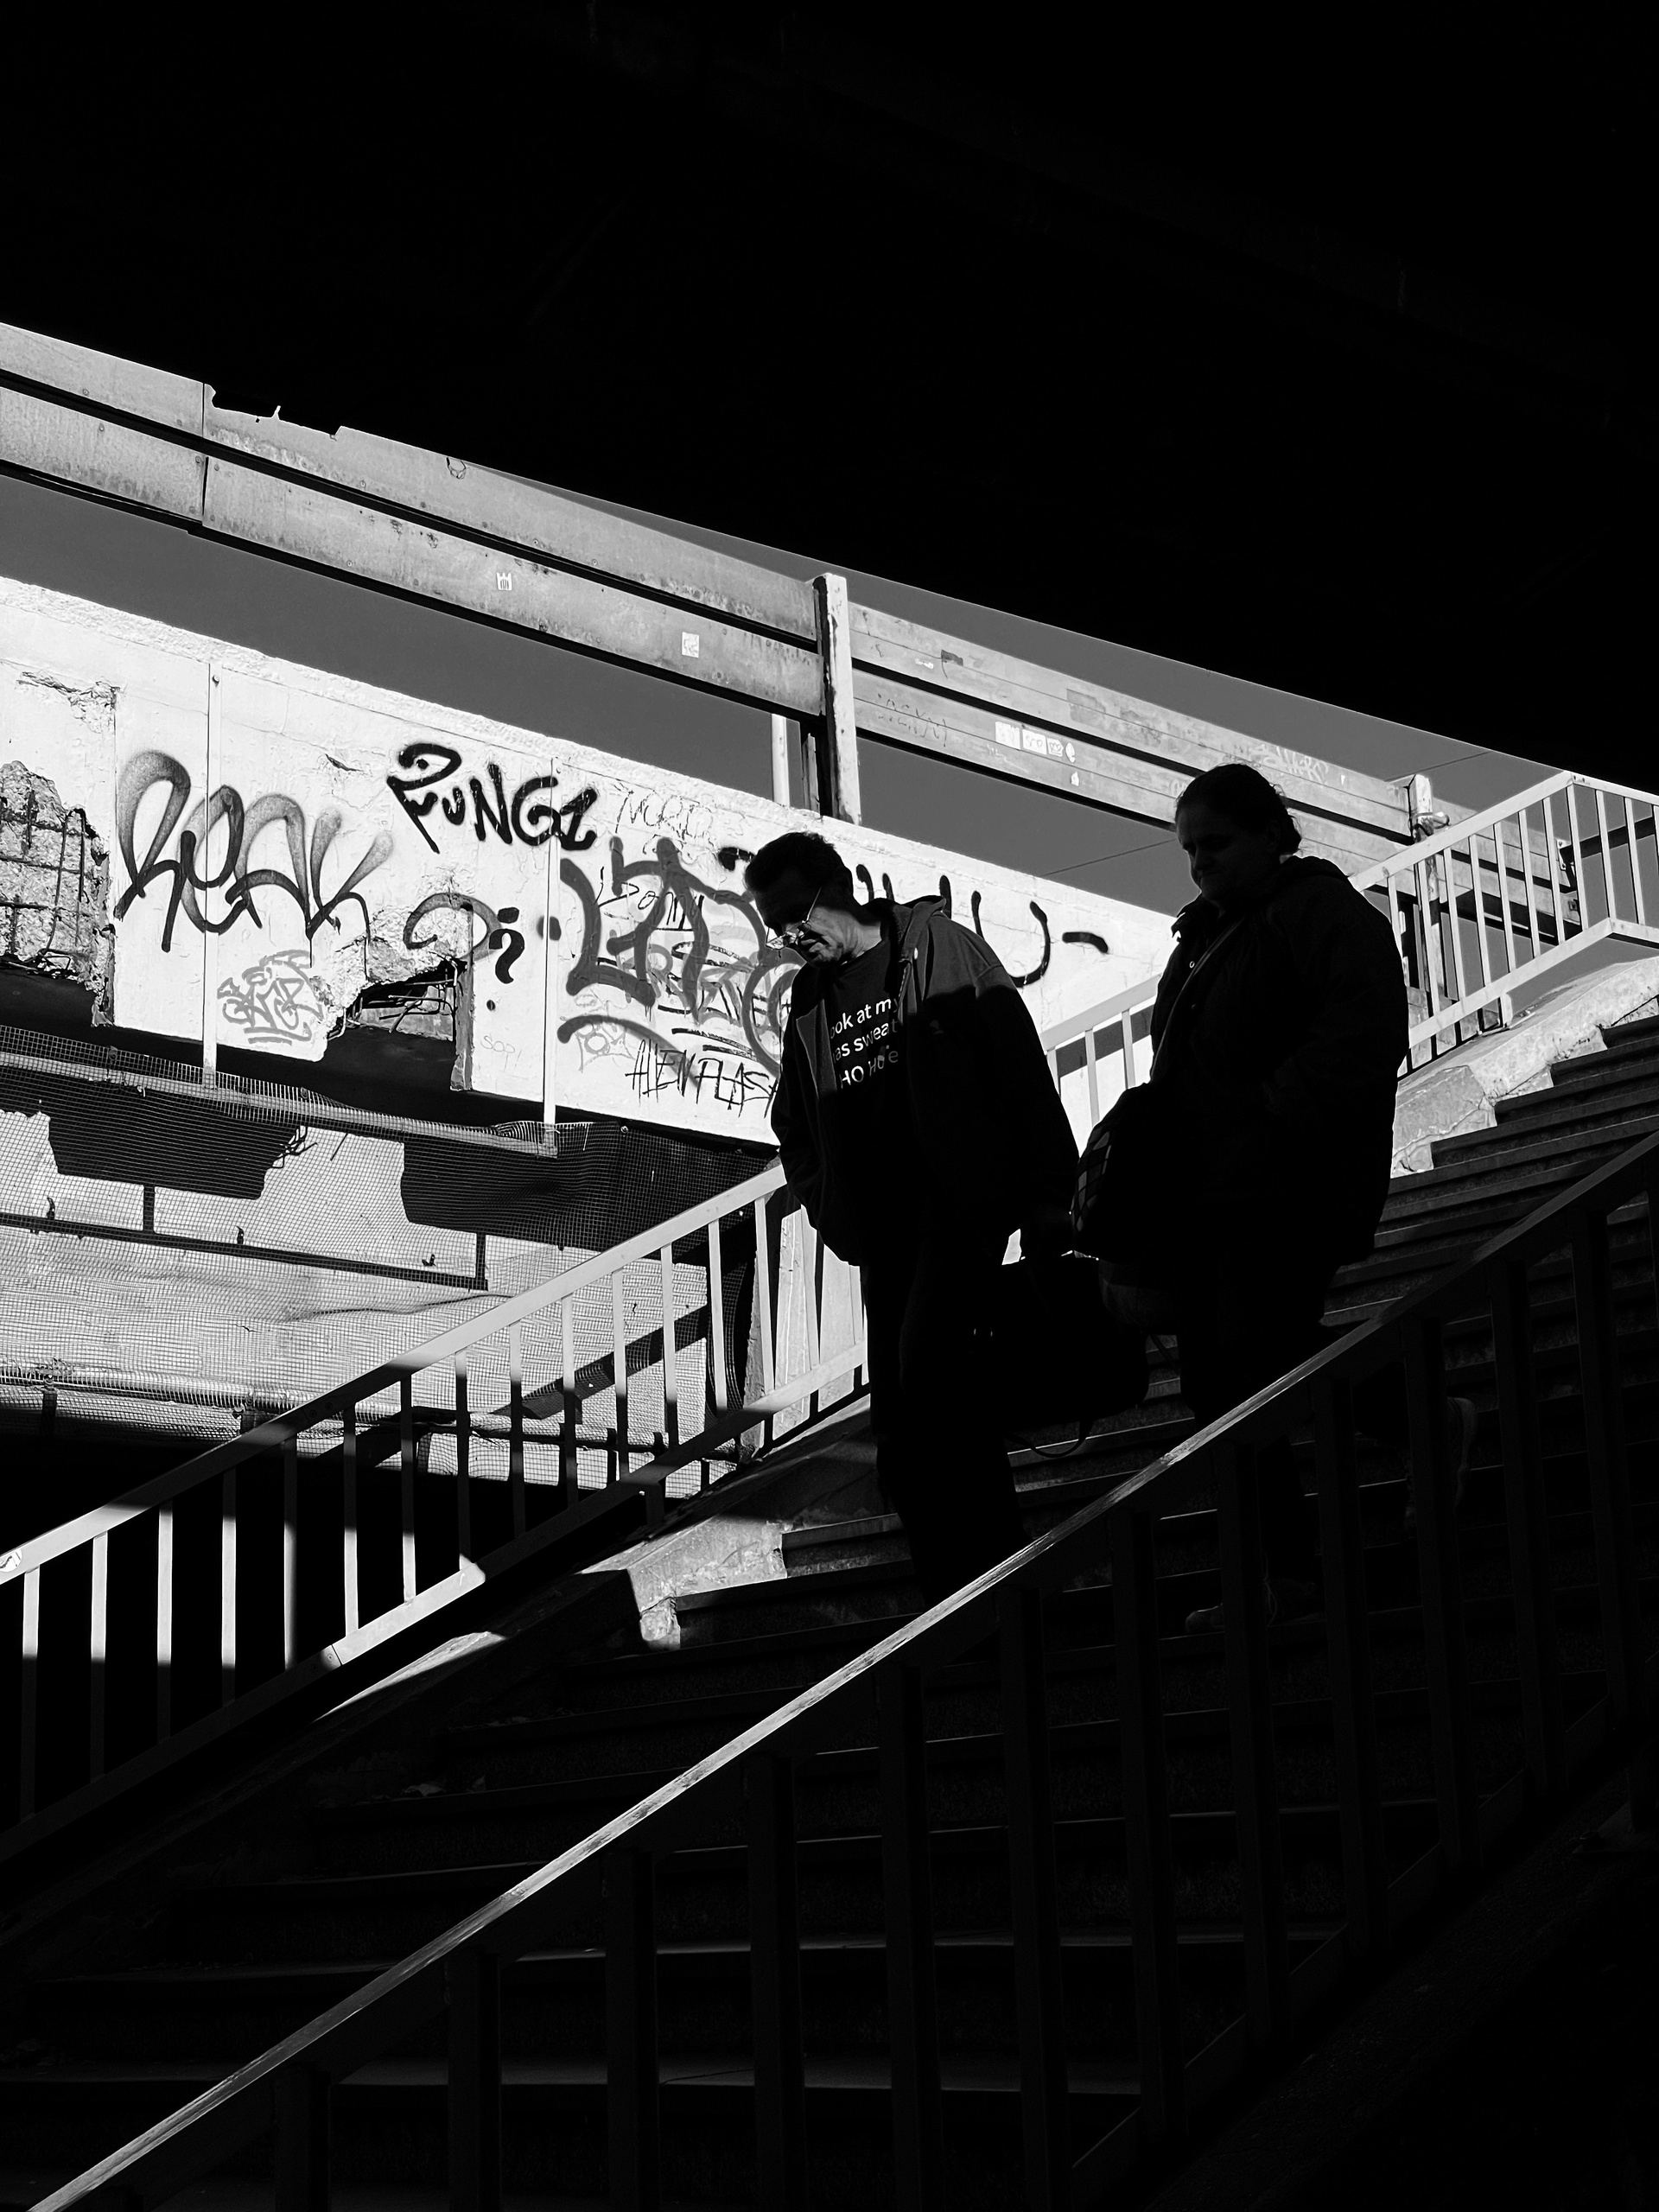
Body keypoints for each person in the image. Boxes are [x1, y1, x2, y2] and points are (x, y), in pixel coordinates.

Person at [746, 830, 1077, 1605]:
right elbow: (793, 1120)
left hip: (958, 1208)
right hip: (880, 1231)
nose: (790, 935)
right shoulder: (810, 999)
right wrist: (830, 1207)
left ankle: (995, 1578)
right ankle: (958, 1599)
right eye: (775, 926)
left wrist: (1047, 1196)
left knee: (928, 1368)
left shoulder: (937, 949)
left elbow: (1018, 1071)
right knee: (903, 1420)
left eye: (796, 914)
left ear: (838, 886)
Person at [1124, 765, 1418, 1628]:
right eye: (1189, 850)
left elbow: (1363, 1031)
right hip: (1217, 1186)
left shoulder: (1322, 912)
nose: (1200, 864)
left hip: (1293, 1179)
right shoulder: (1205, 935)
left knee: (1255, 1343)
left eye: (1214, 844)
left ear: (1268, 834)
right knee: (1220, 1374)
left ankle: (1417, 1421)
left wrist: (1264, 1115)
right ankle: (1282, 1572)